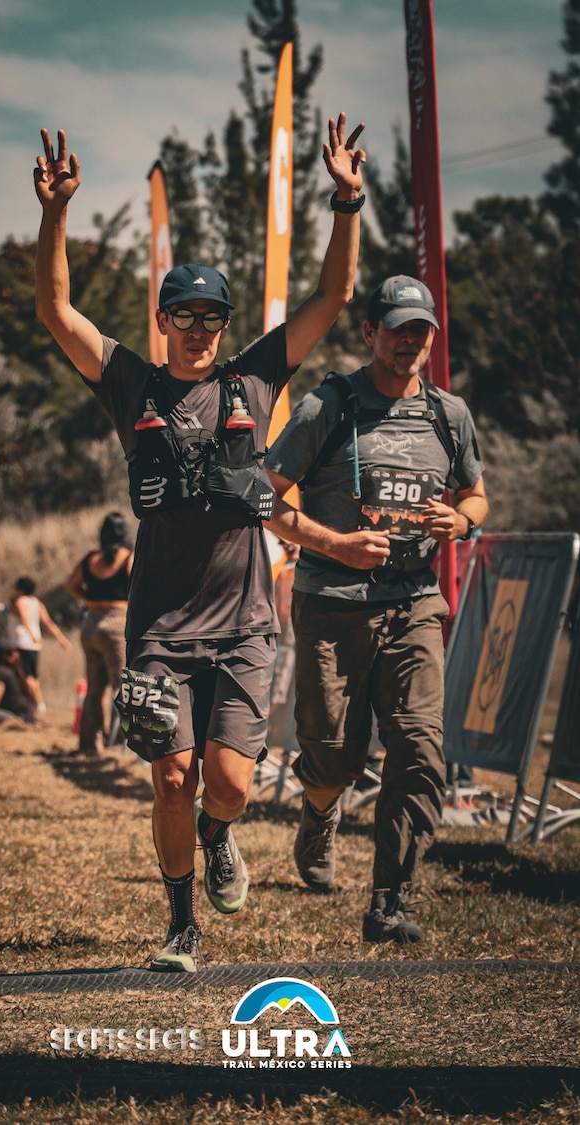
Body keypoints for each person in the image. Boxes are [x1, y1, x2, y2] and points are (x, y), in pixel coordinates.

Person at [33, 113, 366, 973]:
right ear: (163, 319)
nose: (198, 327)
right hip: (160, 625)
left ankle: (222, 836)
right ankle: (182, 925)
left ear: (223, 323)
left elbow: (331, 297)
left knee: (230, 784)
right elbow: (55, 309)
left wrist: (347, 202)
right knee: (172, 778)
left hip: (245, 623)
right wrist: (57, 212)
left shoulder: (253, 377)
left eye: (211, 315)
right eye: (183, 313)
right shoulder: (131, 384)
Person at [265, 274, 489, 944]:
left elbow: (477, 495)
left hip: (414, 601)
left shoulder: (449, 414)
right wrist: (335, 543)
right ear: (370, 333)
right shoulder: (328, 406)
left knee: (420, 751)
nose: (410, 341)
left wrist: (461, 521)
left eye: (422, 330)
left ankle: (389, 901)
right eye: (398, 329)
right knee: (334, 757)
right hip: (332, 603)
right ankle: (320, 810)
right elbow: (265, 497)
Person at [65, 511, 133, 754]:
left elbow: (71, 585)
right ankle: (119, 741)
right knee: (121, 685)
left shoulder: (90, 559)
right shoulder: (129, 558)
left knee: (94, 689)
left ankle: (90, 744)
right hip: (116, 623)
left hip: (91, 623)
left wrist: (89, 599)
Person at [0, 577, 72, 711]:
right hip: (34, 645)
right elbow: (48, 623)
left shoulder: (19, 602)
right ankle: (38, 703)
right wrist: (62, 640)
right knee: (33, 676)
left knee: (25, 676)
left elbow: (22, 617)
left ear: (20, 590)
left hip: (21, 643)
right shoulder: (37, 603)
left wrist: (31, 635)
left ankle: (35, 704)